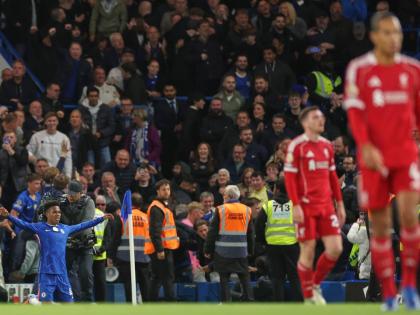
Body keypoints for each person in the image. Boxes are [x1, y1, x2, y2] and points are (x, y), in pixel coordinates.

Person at [344, 12, 420, 310]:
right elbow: (355, 115)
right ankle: (387, 293)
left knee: (410, 223)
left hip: (404, 158)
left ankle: (410, 288)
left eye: (398, 33)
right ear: (375, 35)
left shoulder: (413, 70)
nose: (394, 39)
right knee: (380, 229)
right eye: (388, 32)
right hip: (374, 160)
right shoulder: (359, 70)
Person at [284, 106, 345, 305]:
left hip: (326, 206)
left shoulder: (327, 146)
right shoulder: (297, 146)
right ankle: (308, 297)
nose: (321, 120)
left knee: (335, 249)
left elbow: (333, 177)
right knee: (308, 250)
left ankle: (315, 284)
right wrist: (295, 205)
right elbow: (290, 178)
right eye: (316, 117)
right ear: (305, 122)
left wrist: (341, 204)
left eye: (322, 116)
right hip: (306, 206)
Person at [0, 202, 113, 303]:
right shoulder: (40, 228)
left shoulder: (65, 229)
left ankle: (32, 299)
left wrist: (101, 219)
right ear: (47, 214)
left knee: (68, 304)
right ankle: (32, 300)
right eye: (54, 212)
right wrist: (8, 216)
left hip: (62, 275)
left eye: (59, 212)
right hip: (46, 275)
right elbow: (22, 224)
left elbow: (82, 225)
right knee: (46, 306)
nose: (58, 214)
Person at [204, 185, 254, 302]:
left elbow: (212, 232)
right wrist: (250, 251)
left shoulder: (221, 209)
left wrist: (207, 250)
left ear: (229, 196)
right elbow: (251, 233)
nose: (223, 197)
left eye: (224, 195)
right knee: (244, 277)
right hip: (241, 251)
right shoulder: (247, 210)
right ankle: (250, 301)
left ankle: (226, 304)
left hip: (223, 252)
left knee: (224, 279)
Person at [255, 180, 302, 301]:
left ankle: (279, 308)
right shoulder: (295, 205)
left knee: (277, 278)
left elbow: (258, 225)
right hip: (292, 245)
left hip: (273, 246)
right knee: (295, 278)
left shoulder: (268, 205)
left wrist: (263, 241)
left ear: (276, 189)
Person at [60, 180, 97, 302]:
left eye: (74, 194)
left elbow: (86, 223)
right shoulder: (61, 202)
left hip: (85, 243)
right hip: (68, 244)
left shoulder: (88, 202)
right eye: (69, 193)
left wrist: (67, 232)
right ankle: (63, 298)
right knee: (62, 272)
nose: (70, 196)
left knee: (86, 273)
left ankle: (88, 300)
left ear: (81, 193)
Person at [145, 179, 180, 301]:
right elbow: (155, 231)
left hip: (163, 247)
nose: (166, 192)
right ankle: (171, 304)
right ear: (158, 191)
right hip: (161, 249)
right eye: (163, 189)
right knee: (167, 278)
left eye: (168, 189)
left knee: (157, 278)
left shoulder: (164, 206)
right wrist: (160, 249)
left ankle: (151, 304)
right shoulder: (157, 208)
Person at [116, 192, 150, 302]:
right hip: (144, 256)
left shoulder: (122, 217)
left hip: (125, 256)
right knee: (145, 284)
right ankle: (147, 308)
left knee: (129, 285)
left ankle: (131, 308)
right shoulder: (146, 217)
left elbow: (116, 238)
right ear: (141, 204)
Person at [27, 112, 72, 178]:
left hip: (57, 173)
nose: (52, 123)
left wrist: (68, 175)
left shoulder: (64, 138)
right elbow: (29, 152)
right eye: (49, 121)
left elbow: (67, 158)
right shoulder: (36, 136)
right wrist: (35, 161)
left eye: (54, 121)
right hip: (41, 173)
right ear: (45, 122)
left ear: (57, 122)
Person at [79, 86, 116, 168]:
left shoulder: (106, 109)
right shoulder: (81, 109)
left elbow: (112, 126)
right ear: (87, 97)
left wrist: (101, 133)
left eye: (95, 96)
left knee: (107, 166)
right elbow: (79, 125)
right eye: (91, 96)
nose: (94, 98)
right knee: (89, 167)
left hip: (103, 142)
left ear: (98, 96)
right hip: (88, 143)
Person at [0, 131, 29, 209]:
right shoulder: (1, 152)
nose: (9, 139)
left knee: (17, 209)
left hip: (19, 186)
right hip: (4, 186)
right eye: (6, 137)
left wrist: (11, 151)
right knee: (4, 209)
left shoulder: (23, 150)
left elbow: (23, 162)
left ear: (15, 139)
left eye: (11, 137)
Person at [92, 195, 108, 302]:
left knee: (99, 283)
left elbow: (108, 237)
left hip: (99, 255)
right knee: (98, 283)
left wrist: (100, 249)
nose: (100, 206)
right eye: (98, 204)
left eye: (102, 204)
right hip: (89, 254)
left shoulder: (105, 217)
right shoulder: (90, 214)